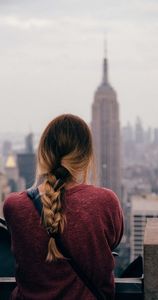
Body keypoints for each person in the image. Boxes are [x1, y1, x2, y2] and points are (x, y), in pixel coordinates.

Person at [3, 114, 124, 300]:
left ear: (43, 154)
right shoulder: (106, 202)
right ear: (86, 157)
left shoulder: (14, 206)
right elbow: (111, 243)